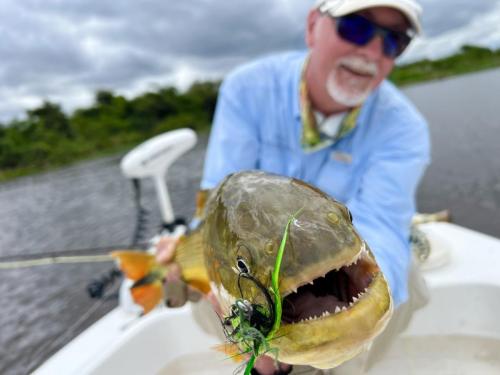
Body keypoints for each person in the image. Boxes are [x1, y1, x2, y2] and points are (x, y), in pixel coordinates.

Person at [157, 0, 430, 373]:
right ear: (313, 26)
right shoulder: (247, 89)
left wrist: (354, 310)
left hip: (340, 249)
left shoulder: (405, 128)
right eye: (356, 28)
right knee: (219, 305)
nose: (371, 51)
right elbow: (217, 211)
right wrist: (183, 254)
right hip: (249, 268)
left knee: (405, 278)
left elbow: (382, 224)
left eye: (394, 40)